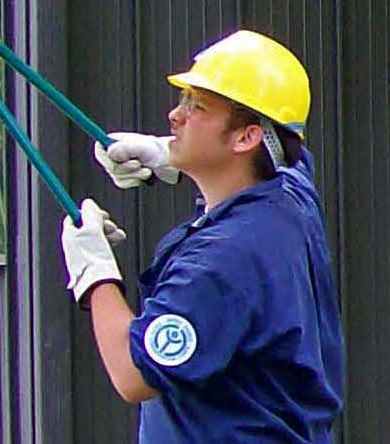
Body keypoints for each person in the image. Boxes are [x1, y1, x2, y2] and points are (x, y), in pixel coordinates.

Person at [61, 29, 344, 444]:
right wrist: (164, 155)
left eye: (197, 106)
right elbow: (291, 155)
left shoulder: (223, 260)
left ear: (246, 137)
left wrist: (94, 271)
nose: (176, 115)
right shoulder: (289, 198)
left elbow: (134, 373)